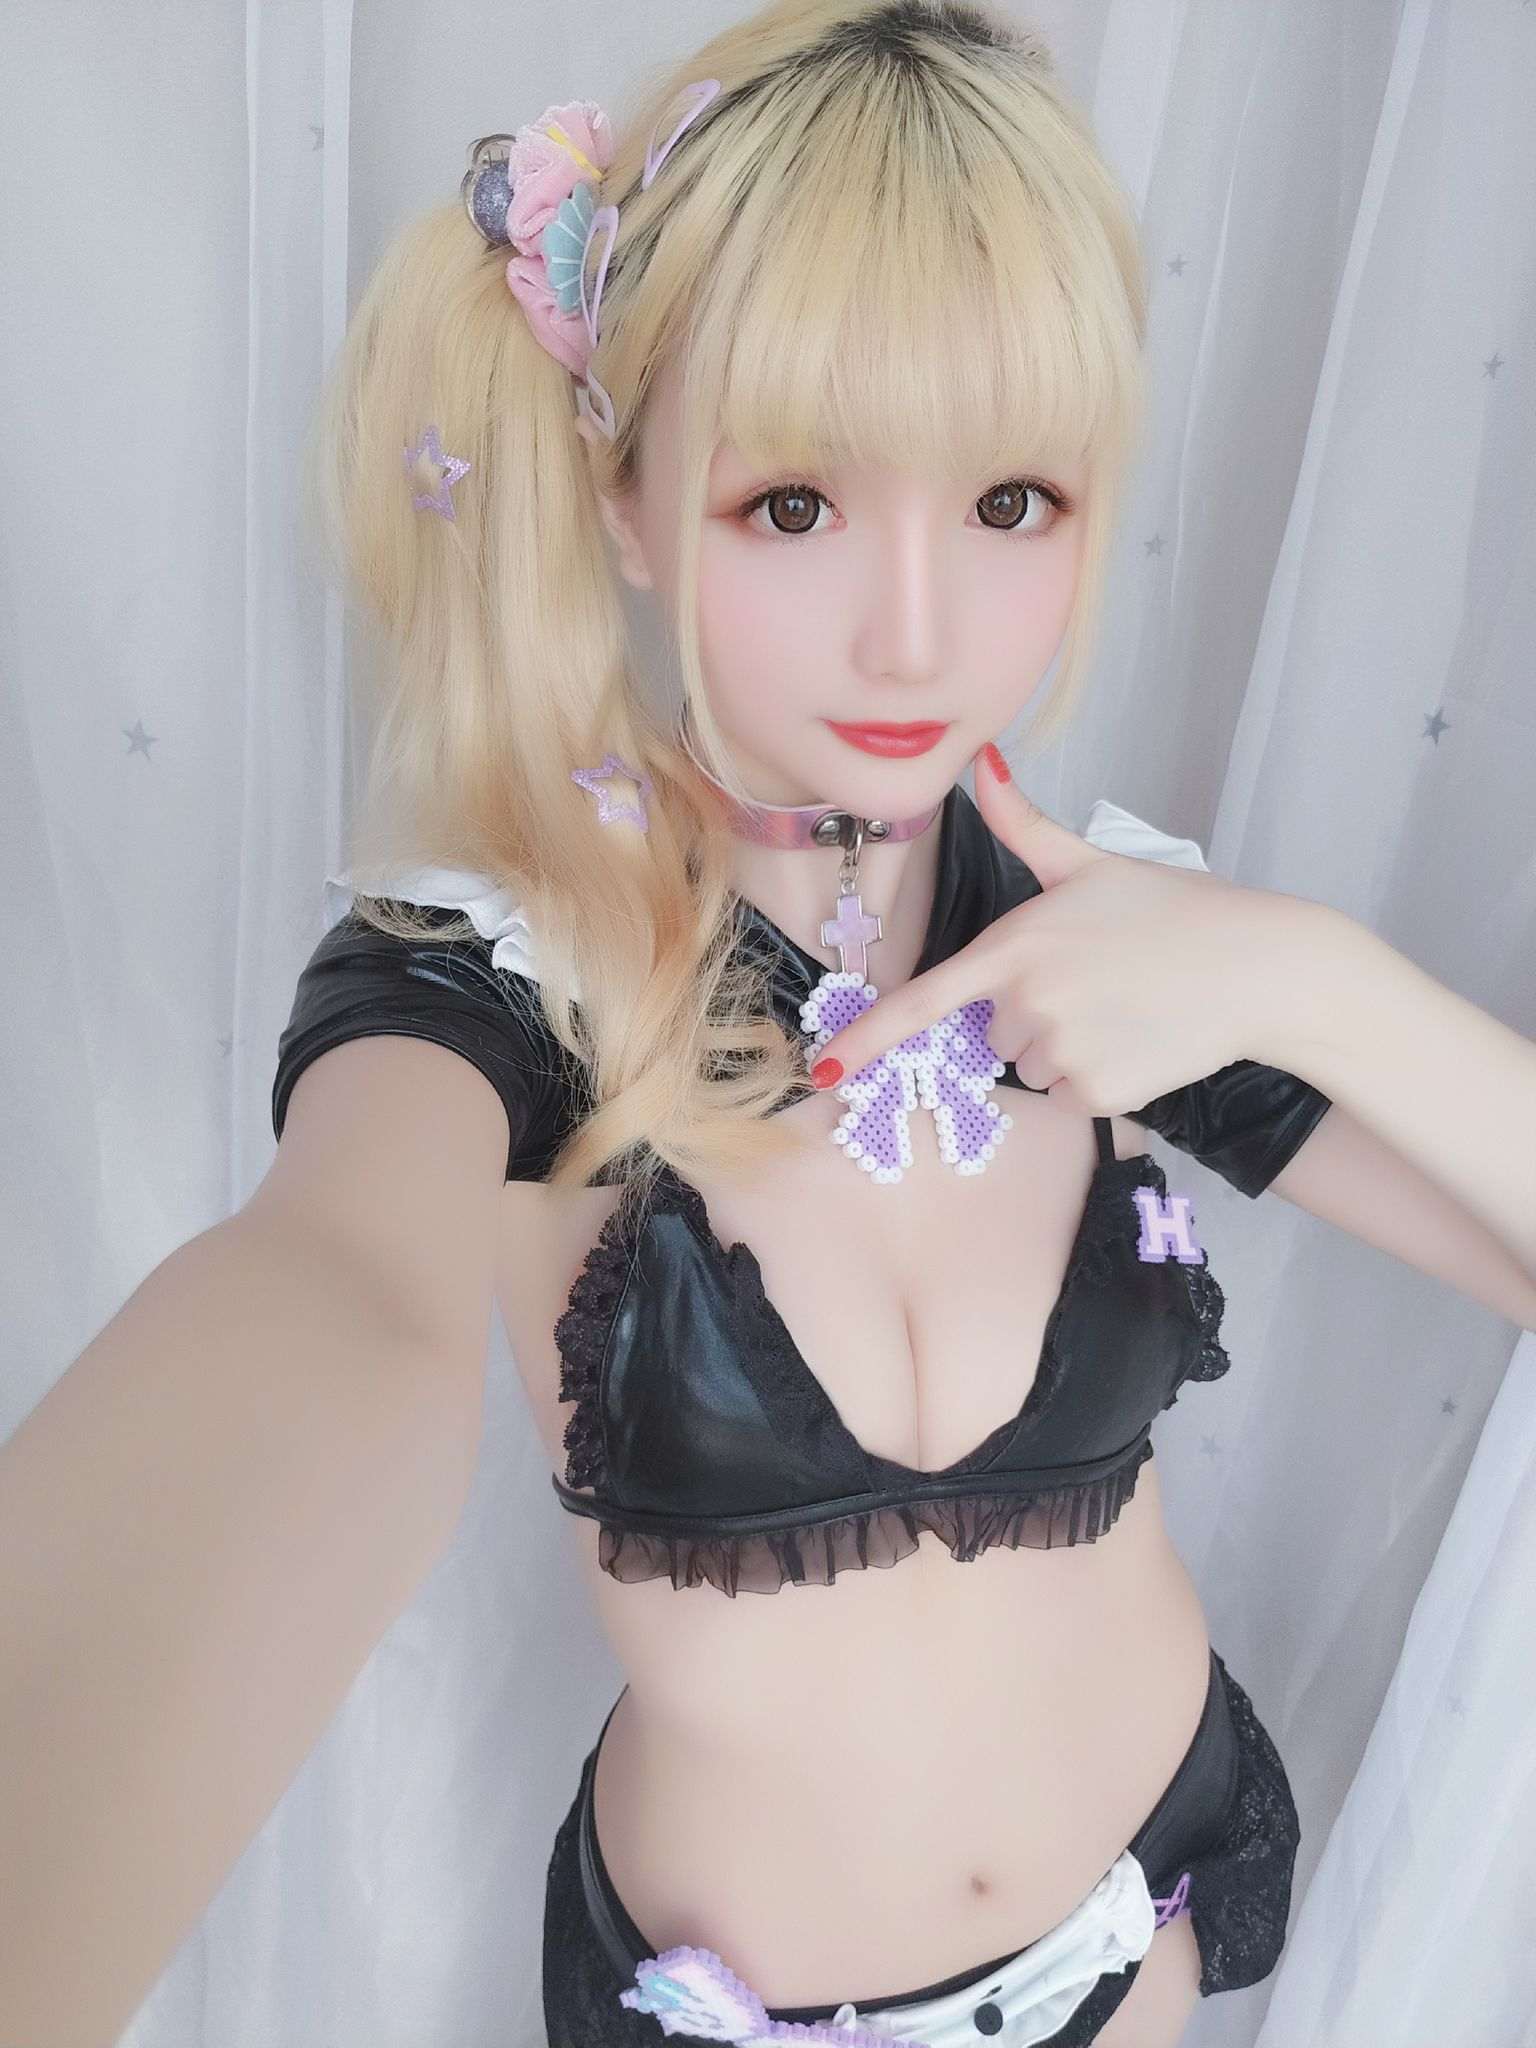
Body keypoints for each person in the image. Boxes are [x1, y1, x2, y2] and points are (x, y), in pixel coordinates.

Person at [8, 5, 1535, 2046]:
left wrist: (1306, 979)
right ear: (628, 500)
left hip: (1141, 1929)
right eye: (796, 505)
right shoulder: (508, 968)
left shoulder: (1113, 931)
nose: (921, 632)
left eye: (1013, 500)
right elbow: (327, 1303)